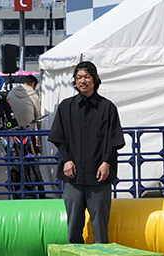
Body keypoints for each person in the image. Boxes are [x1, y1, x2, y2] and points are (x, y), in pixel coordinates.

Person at [48, 60, 125, 244]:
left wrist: (106, 163)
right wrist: (66, 160)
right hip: (73, 175)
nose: (83, 81)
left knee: (100, 223)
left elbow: (114, 140)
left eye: (87, 77)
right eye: (79, 77)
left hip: (99, 174)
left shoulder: (108, 108)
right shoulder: (66, 107)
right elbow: (59, 138)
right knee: (74, 223)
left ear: (95, 79)